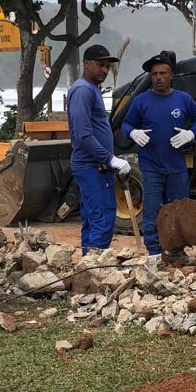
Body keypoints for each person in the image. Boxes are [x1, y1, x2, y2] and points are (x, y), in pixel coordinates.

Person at [122, 51, 196, 265]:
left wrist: (190, 133)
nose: (158, 77)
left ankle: (177, 251)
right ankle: (154, 252)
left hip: (177, 167)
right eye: (154, 74)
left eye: (163, 73)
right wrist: (133, 133)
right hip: (151, 167)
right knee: (151, 210)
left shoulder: (182, 99)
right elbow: (126, 124)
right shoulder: (141, 101)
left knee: (178, 209)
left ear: (171, 76)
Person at [66, 44, 130, 254]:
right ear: (86, 64)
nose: (104, 70)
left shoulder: (92, 89)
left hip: (97, 166)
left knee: (93, 217)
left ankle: (89, 263)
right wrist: (110, 158)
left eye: (107, 66)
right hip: (91, 165)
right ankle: (95, 269)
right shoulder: (83, 90)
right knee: (102, 216)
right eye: (100, 65)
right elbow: (83, 135)